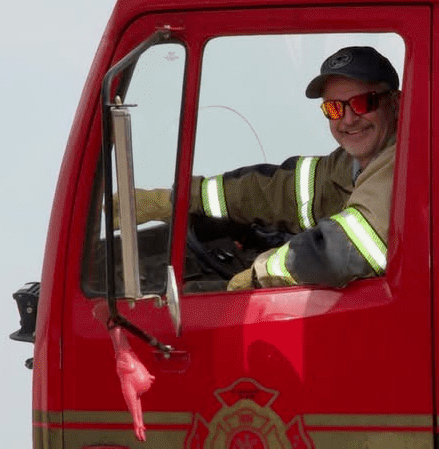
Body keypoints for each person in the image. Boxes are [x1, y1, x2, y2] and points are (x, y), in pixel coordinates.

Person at [135, 45, 403, 290]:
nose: (347, 120)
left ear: (395, 102)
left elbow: (343, 248)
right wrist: (177, 198)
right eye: (333, 109)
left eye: (362, 103)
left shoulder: (403, 163)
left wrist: (260, 272)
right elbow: (277, 190)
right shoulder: (350, 164)